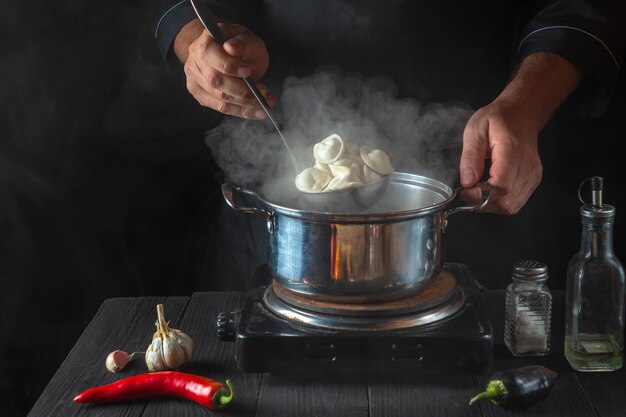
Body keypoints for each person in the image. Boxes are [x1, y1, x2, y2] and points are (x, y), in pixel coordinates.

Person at [151, 0, 626, 289]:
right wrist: (198, 41)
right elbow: (185, 9)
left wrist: (523, 106)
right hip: (273, 204)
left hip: (474, 183)